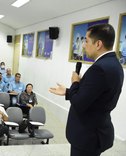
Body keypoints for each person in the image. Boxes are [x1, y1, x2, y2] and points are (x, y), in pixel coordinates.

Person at [49, 24, 124, 156]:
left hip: (87, 136)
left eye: (87, 41)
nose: (83, 45)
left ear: (98, 44)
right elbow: (94, 97)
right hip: (97, 131)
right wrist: (67, 92)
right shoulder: (115, 64)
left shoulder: (99, 69)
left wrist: (75, 82)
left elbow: (79, 103)